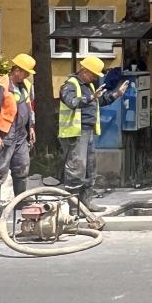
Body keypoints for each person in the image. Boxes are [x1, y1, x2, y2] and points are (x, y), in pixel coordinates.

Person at [59, 55, 127, 212]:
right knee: (77, 169)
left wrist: (116, 94)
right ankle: (74, 208)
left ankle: (86, 203)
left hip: (88, 132)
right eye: (93, 74)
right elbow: (72, 102)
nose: (95, 77)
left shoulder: (88, 86)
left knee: (90, 168)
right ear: (84, 71)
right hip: (75, 132)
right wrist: (91, 97)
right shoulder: (70, 85)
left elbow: (98, 101)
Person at [0, 53, 36, 218]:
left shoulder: (26, 85)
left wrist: (31, 127)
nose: (28, 75)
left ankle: (20, 202)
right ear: (16, 70)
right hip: (4, 134)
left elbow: (30, 108)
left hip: (21, 135)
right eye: (25, 72)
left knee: (22, 167)